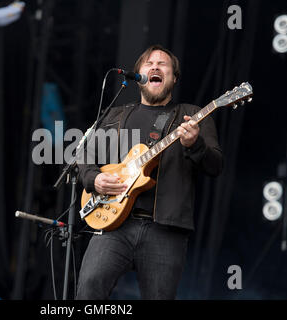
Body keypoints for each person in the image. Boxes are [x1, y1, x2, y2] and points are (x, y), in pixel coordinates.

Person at [75, 44, 223, 300]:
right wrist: (94, 178)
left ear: (174, 78)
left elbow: (216, 166)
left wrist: (194, 145)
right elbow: (83, 155)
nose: (155, 66)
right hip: (113, 222)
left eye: (162, 64)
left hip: (165, 231)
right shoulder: (115, 115)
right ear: (138, 76)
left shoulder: (193, 116)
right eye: (148, 63)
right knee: (89, 287)